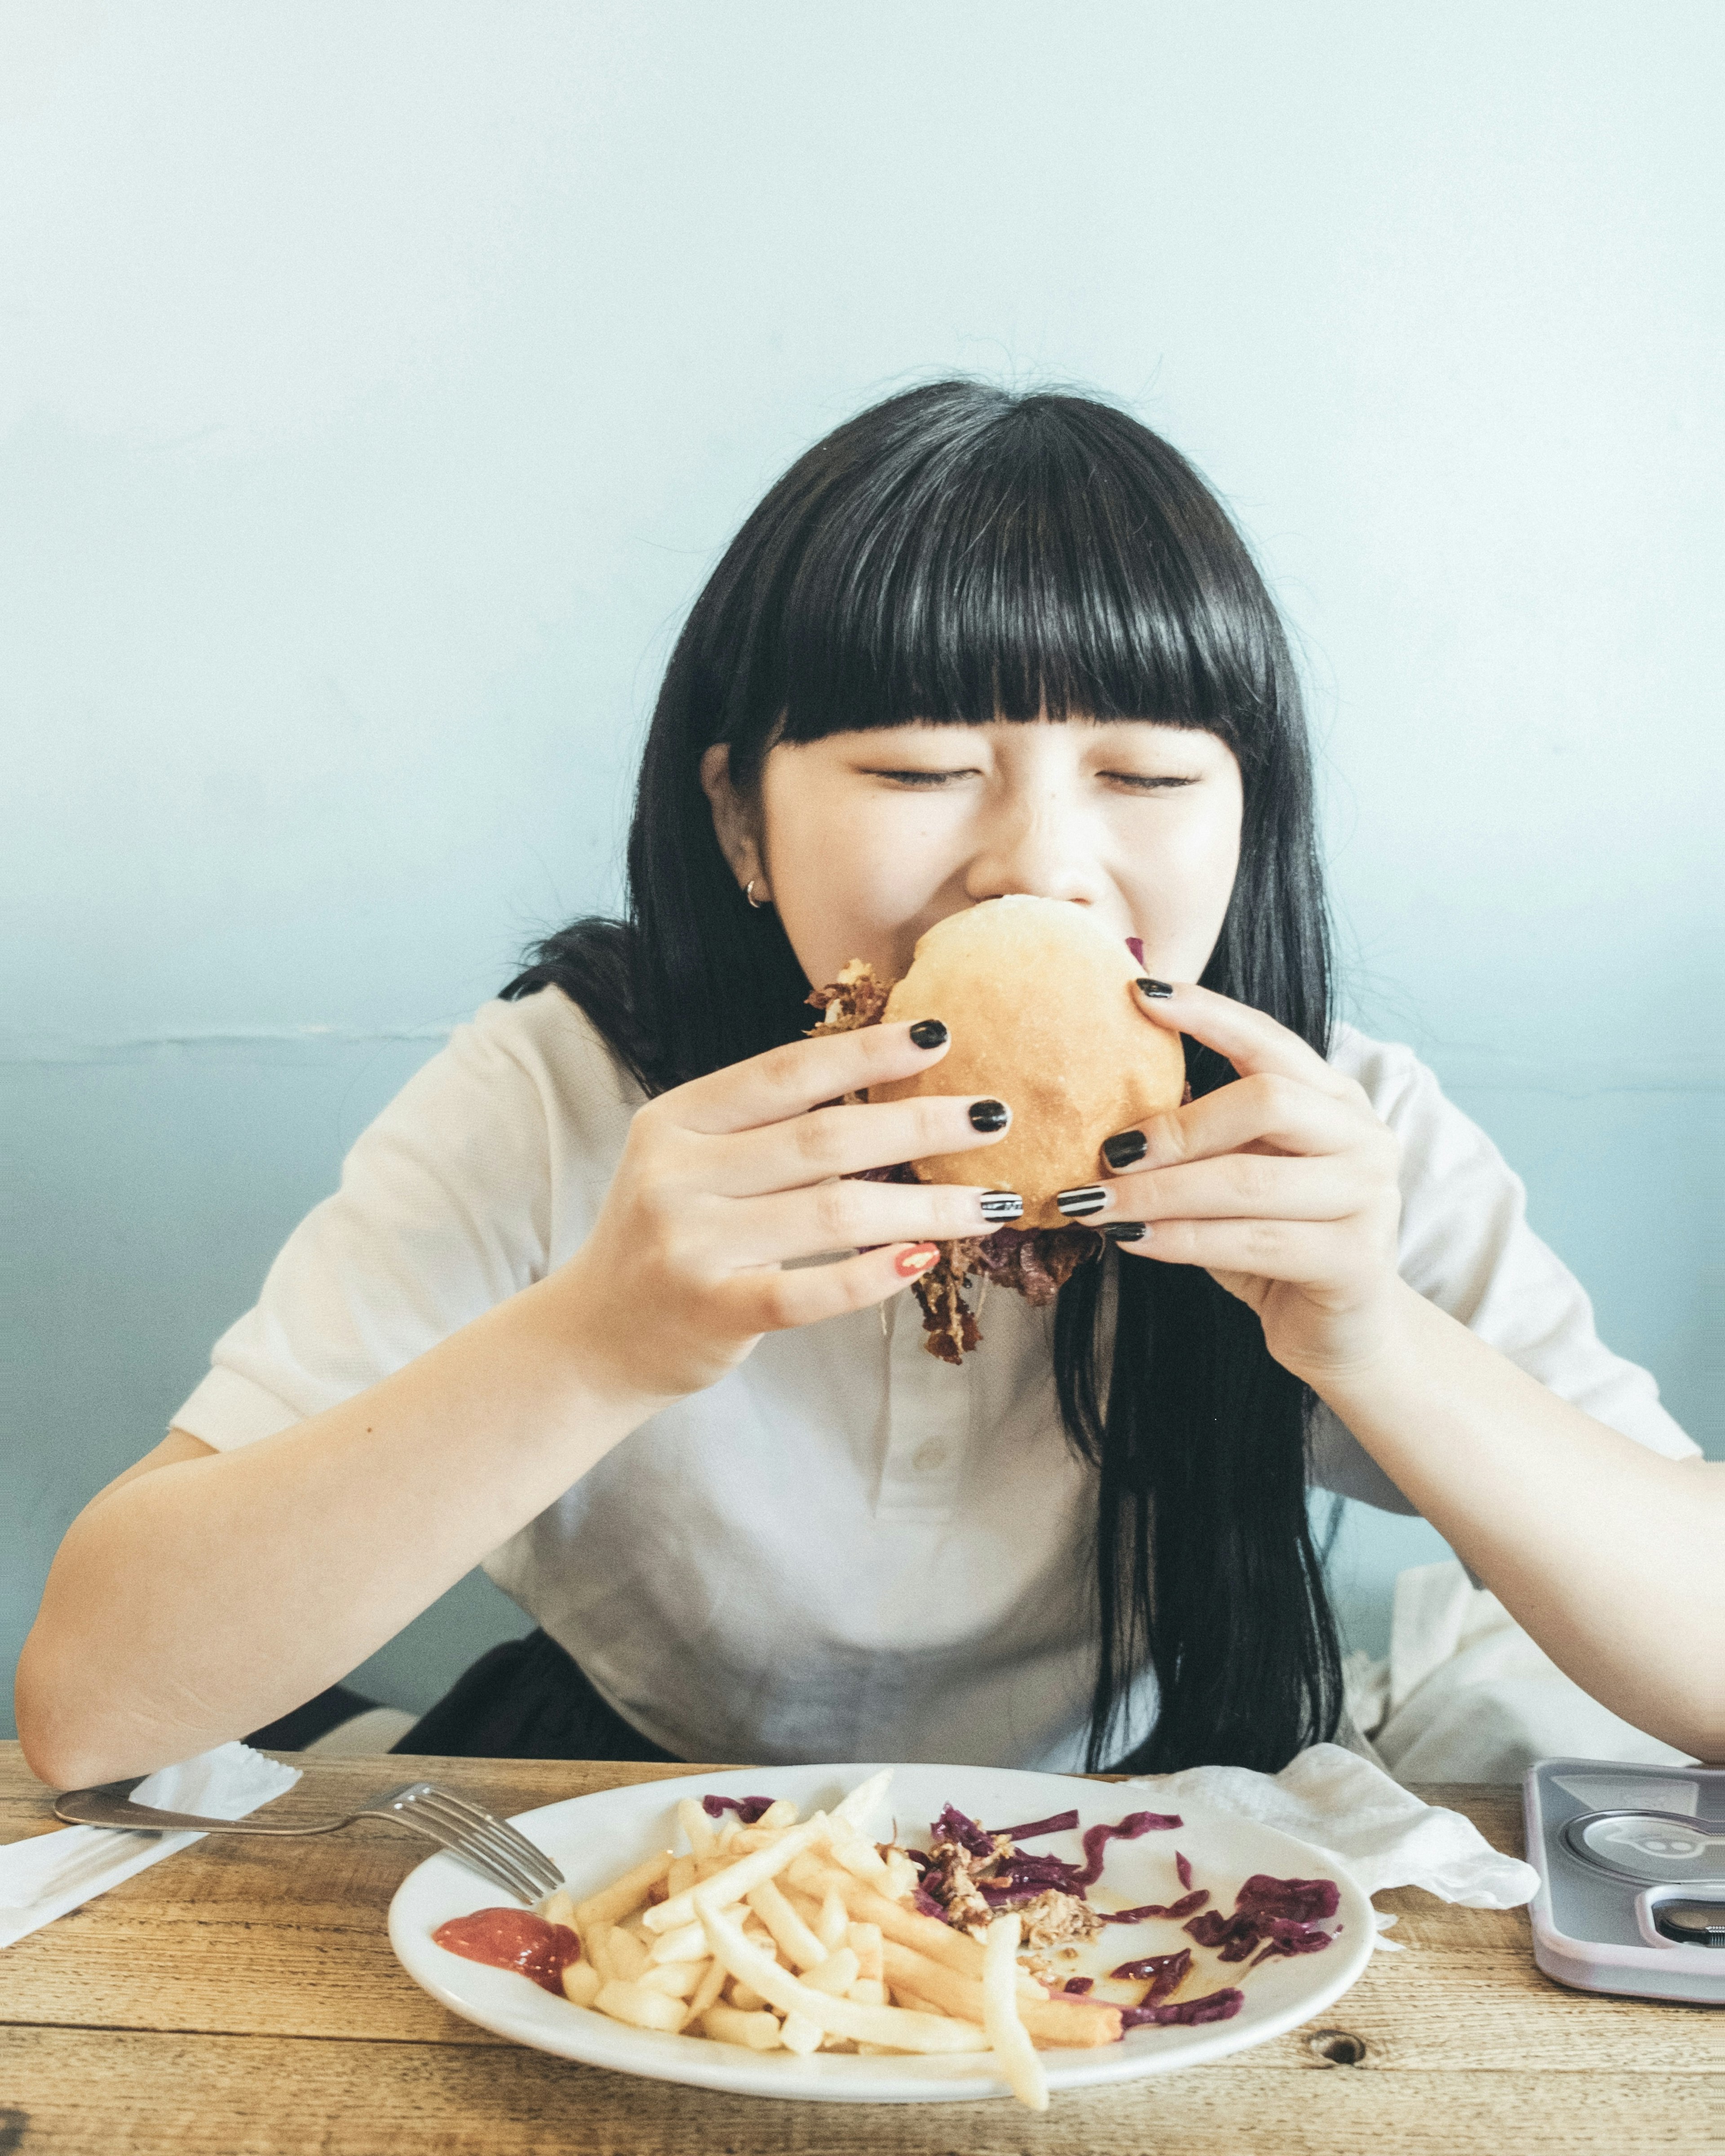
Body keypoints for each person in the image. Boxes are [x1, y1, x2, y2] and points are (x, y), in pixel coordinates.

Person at [18, 382, 1719, 1790]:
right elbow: (94, 1703)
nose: (1039, 865)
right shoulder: (566, 1091)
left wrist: (1368, 1338)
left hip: (1157, 1830)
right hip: (631, 1808)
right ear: (742, 821)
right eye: (918, 768)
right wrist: (605, 1333)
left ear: (1246, 819)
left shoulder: (1327, 1131)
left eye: (1141, 772)